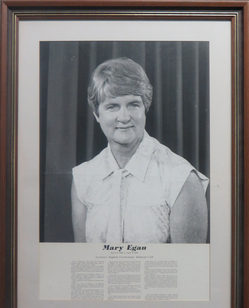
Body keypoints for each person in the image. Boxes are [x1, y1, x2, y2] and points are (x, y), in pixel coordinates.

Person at [71, 57, 209, 244]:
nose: (124, 117)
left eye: (133, 105)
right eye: (112, 106)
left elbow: (188, 268)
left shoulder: (181, 177)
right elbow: (84, 262)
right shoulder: (83, 176)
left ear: (145, 108)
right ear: (97, 114)